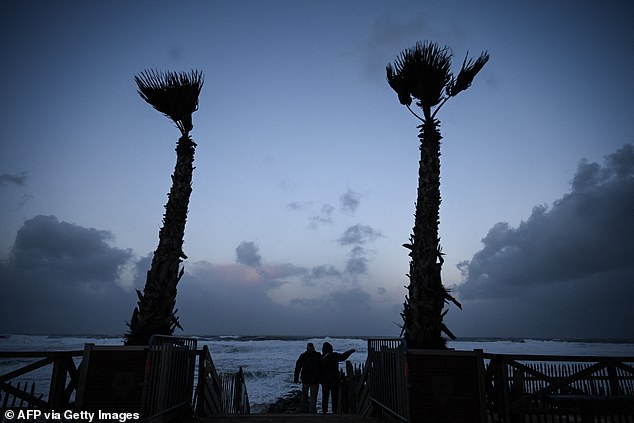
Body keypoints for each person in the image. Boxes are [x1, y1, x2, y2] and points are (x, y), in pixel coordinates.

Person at [320, 342, 355, 414]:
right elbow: (343, 357)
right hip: (334, 379)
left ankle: (324, 411)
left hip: (324, 380)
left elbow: (318, 369)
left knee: (325, 396)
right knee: (334, 396)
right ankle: (334, 411)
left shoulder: (321, 357)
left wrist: (319, 379)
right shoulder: (334, 355)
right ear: (331, 349)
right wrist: (349, 352)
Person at [293, 342, 321, 413]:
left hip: (308, 378)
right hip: (313, 379)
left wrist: (296, 377)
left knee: (305, 396)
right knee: (312, 396)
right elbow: (322, 367)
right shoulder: (317, 355)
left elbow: (298, 367)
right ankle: (311, 410)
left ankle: (303, 409)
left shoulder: (304, 355)